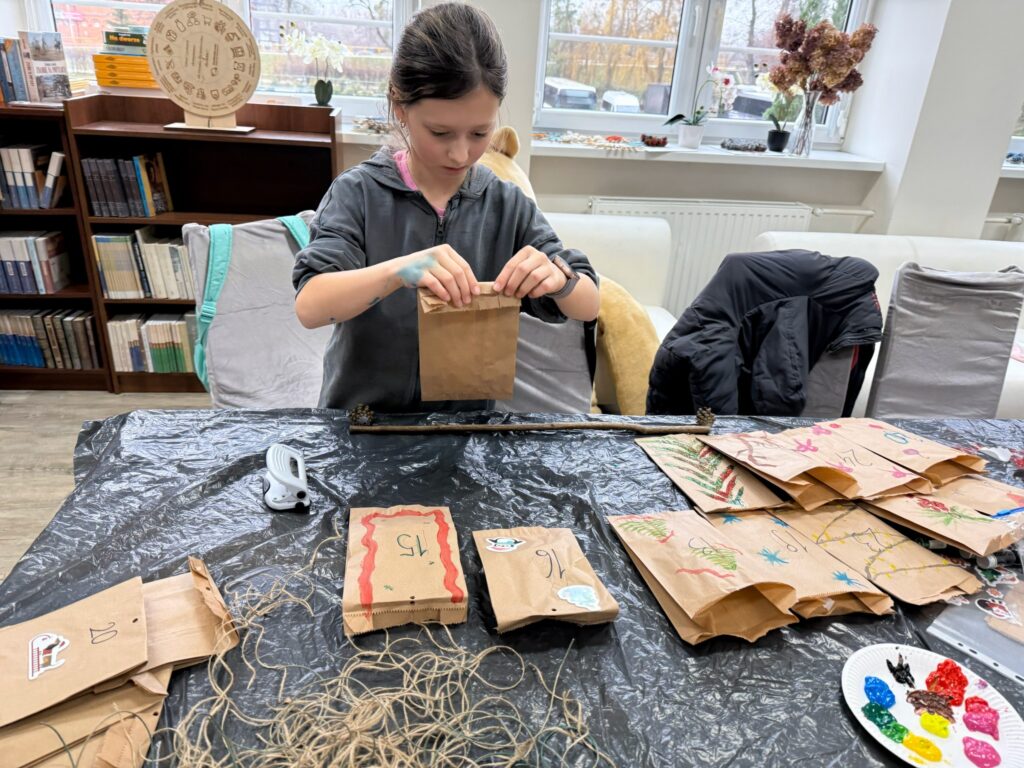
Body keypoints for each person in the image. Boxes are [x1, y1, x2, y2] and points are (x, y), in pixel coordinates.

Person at [292, 2, 599, 412]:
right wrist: (399, 271)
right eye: (440, 132)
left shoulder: (506, 205)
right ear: (399, 108)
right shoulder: (358, 194)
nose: (460, 153)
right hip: (362, 427)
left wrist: (559, 280)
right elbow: (311, 306)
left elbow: (588, 304)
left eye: (480, 133)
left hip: (463, 433)